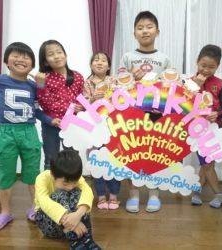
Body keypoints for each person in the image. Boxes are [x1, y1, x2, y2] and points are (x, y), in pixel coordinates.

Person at [0, 42, 60, 232]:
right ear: (6, 61)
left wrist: (50, 119)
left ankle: (35, 207)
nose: (21, 59)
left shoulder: (33, 85)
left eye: (26, 57)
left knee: (32, 173)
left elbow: (37, 110)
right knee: (5, 174)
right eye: (16, 55)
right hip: (5, 133)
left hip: (29, 133)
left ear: (32, 64)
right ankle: (5, 212)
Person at [119, 11, 171, 213]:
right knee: (132, 153)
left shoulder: (164, 58)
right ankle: (133, 194)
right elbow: (118, 85)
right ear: (134, 34)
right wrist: (132, 77)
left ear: (157, 31)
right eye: (140, 28)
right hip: (132, 111)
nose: (144, 31)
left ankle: (154, 194)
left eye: (149, 27)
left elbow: (171, 86)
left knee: (155, 152)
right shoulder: (127, 57)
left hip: (157, 112)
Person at [35, 149, 101, 250]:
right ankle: (74, 242)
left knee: (79, 192)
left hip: (72, 221)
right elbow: (44, 202)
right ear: (53, 174)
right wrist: (73, 221)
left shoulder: (73, 177)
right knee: (59, 195)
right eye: (65, 183)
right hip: (49, 224)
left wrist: (77, 215)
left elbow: (87, 191)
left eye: (74, 182)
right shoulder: (42, 178)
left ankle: (88, 239)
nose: (70, 186)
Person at [35, 40, 84, 170]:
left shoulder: (77, 76)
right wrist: (41, 85)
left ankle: (72, 188)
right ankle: (51, 189)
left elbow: (81, 96)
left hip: (72, 123)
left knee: (73, 158)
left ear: (65, 55)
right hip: (51, 125)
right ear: (45, 61)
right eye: (51, 54)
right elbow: (46, 104)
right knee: (51, 159)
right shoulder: (44, 78)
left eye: (59, 52)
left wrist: (80, 106)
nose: (56, 56)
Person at [190, 45, 222, 208]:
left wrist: (217, 114)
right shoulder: (189, 82)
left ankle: (199, 191)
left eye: (211, 67)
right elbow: (183, 106)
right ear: (197, 62)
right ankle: (216, 193)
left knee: (208, 163)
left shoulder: (220, 84)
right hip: (196, 130)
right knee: (206, 163)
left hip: (215, 130)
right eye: (203, 65)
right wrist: (195, 86)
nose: (206, 70)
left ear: (217, 66)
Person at [83, 52, 121, 210]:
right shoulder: (87, 83)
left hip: (113, 128)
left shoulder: (114, 81)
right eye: (96, 60)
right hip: (93, 129)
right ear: (91, 65)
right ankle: (100, 196)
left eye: (103, 60)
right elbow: (82, 106)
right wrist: (92, 100)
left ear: (109, 66)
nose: (99, 62)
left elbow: (122, 101)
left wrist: (109, 98)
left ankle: (113, 196)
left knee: (114, 162)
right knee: (96, 161)